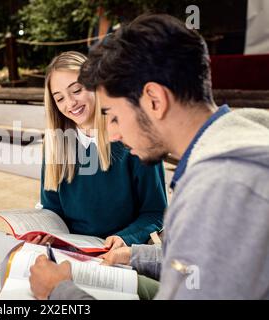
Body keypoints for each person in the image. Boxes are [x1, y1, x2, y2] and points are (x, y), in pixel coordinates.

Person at [29, 14, 269, 300]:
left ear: (154, 100)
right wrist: (137, 256)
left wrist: (59, 292)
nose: (113, 134)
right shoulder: (240, 143)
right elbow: (199, 264)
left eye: (113, 116)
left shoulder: (218, 190)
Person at [34, 51, 167, 248]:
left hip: (123, 253)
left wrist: (125, 238)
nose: (70, 103)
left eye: (77, 90)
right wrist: (45, 234)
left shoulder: (134, 137)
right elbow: (52, 211)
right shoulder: (55, 144)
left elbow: (156, 212)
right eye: (59, 98)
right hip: (73, 252)